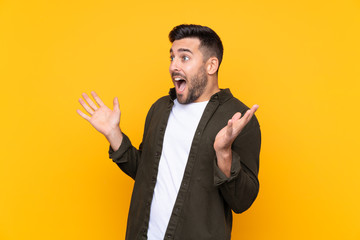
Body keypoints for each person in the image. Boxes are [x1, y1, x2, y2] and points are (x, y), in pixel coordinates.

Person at [77, 24, 261, 240]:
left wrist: (223, 152)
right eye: (172, 57)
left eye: (184, 58)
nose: (173, 66)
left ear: (211, 65)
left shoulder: (238, 118)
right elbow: (146, 174)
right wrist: (113, 134)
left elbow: (242, 202)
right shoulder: (160, 108)